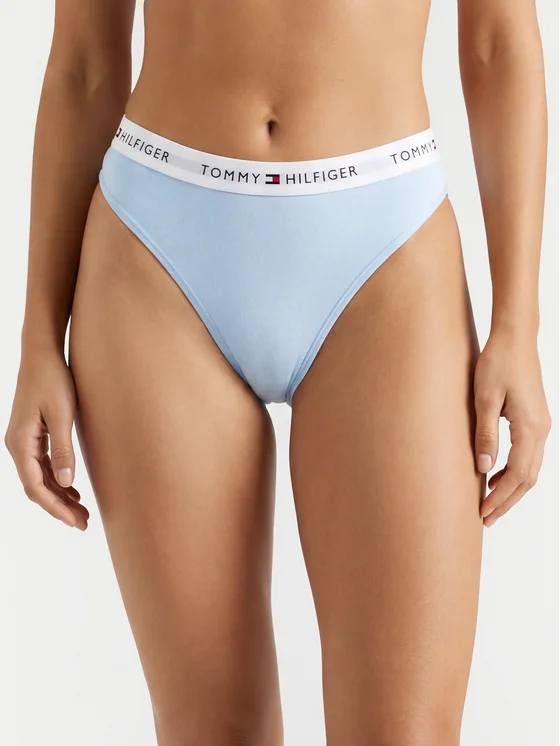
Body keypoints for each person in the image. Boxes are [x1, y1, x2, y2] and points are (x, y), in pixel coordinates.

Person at [4, 0, 551, 744]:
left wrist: (519, 324)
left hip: (386, 248)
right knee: (210, 728)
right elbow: (83, 64)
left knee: (407, 731)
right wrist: (38, 335)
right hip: (156, 252)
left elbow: (498, 44)